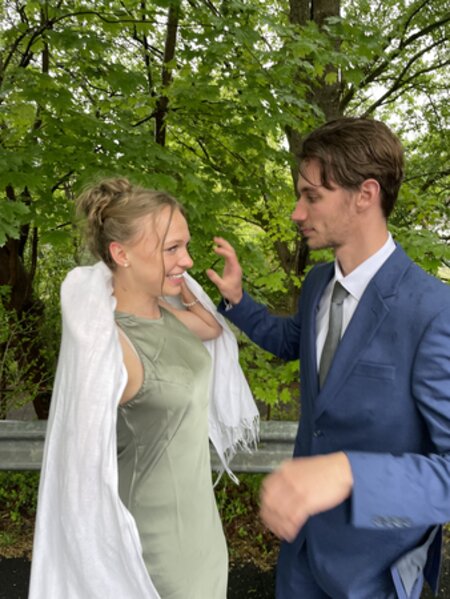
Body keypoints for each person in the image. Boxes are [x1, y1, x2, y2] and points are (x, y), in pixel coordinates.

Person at [207, 117, 450, 599]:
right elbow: (292, 342)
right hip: (300, 557)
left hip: (374, 574)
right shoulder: (318, 283)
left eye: (312, 196)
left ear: (365, 194)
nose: (297, 212)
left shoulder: (433, 311)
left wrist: (348, 473)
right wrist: (238, 301)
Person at [28, 178, 258, 599]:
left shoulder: (165, 316)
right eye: (172, 248)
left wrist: (176, 280)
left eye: (186, 246)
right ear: (121, 254)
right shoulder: (109, 346)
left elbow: (211, 328)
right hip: (154, 551)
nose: (188, 259)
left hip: (203, 535)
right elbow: (81, 468)